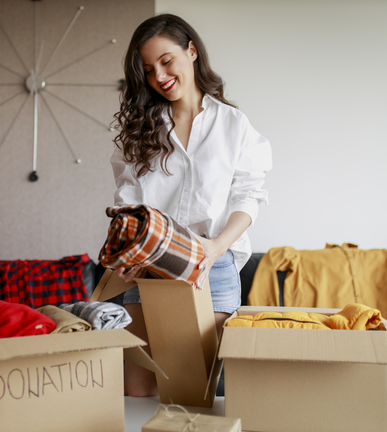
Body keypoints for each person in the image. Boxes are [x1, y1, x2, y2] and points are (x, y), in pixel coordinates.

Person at [110, 14, 272, 397]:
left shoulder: (234, 126)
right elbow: (127, 200)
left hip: (211, 267)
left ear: (192, 51)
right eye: (148, 70)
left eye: (166, 61)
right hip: (150, 267)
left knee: (192, 395)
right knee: (136, 390)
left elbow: (248, 195)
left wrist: (216, 249)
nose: (159, 76)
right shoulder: (138, 128)